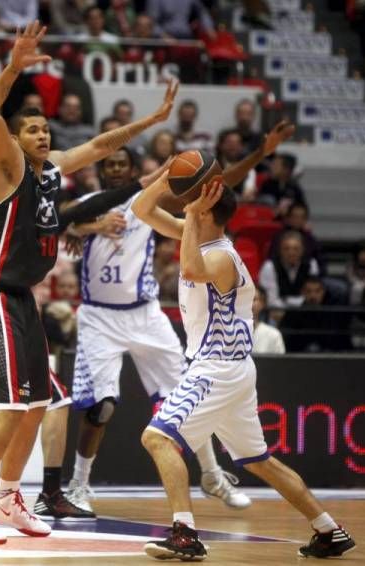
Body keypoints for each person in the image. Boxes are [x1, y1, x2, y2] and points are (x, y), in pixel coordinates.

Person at [0, 20, 179, 543]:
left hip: (23, 299)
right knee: (8, 407)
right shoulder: (5, 166)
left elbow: (98, 145)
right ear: (13, 138)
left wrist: (153, 119)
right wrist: (12, 68)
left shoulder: (50, 170)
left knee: (38, 405)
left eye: (46, 129)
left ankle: (7, 497)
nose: (43, 134)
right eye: (32, 129)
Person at [131, 176, 356, 561]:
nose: (186, 206)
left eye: (194, 204)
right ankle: (328, 530)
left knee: (157, 438)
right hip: (232, 369)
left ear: (207, 212)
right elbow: (142, 210)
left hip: (216, 368)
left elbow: (188, 269)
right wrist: (170, 177)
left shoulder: (219, 256)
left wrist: (189, 210)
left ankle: (184, 533)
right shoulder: (198, 237)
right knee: (261, 462)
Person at [67, 147, 252, 516]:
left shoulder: (144, 200)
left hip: (146, 314)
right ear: (101, 171)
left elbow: (210, 188)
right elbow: (55, 222)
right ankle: (78, 485)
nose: (116, 169)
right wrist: (90, 226)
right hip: (99, 317)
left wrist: (257, 154)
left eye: (123, 164)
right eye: (110, 165)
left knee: (188, 395)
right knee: (101, 406)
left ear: (135, 169)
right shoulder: (89, 203)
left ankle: (213, 476)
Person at [281, 276, 352, 353]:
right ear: (302, 292)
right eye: (308, 291)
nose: (313, 296)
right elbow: (288, 343)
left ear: (323, 292)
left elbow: (341, 341)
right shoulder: (293, 314)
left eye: (317, 291)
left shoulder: (333, 312)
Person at [259, 230, 320, 309]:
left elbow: (313, 295)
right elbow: (271, 300)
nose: (291, 253)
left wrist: (288, 301)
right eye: (286, 248)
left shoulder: (311, 264)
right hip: (278, 312)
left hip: (305, 310)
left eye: (296, 249)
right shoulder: (269, 267)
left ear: (302, 250)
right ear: (280, 250)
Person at [252, 286, 285, 354]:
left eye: (253, 299)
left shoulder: (274, 335)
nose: (248, 303)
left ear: (262, 303)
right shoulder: (228, 334)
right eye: (245, 299)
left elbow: (281, 363)